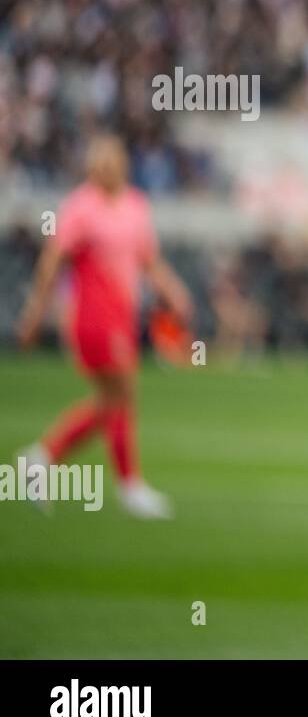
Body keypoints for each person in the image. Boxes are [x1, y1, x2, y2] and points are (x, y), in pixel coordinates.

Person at [16, 134, 193, 519]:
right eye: (100, 162)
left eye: (112, 160)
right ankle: (127, 485)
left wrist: (173, 291)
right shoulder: (81, 207)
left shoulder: (135, 205)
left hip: (122, 313)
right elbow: (52, 264)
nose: (106, 168)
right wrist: (35, 314)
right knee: (122, 393)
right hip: (93, 315)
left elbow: (148, 260)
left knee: (113, 400)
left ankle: (43, 458)